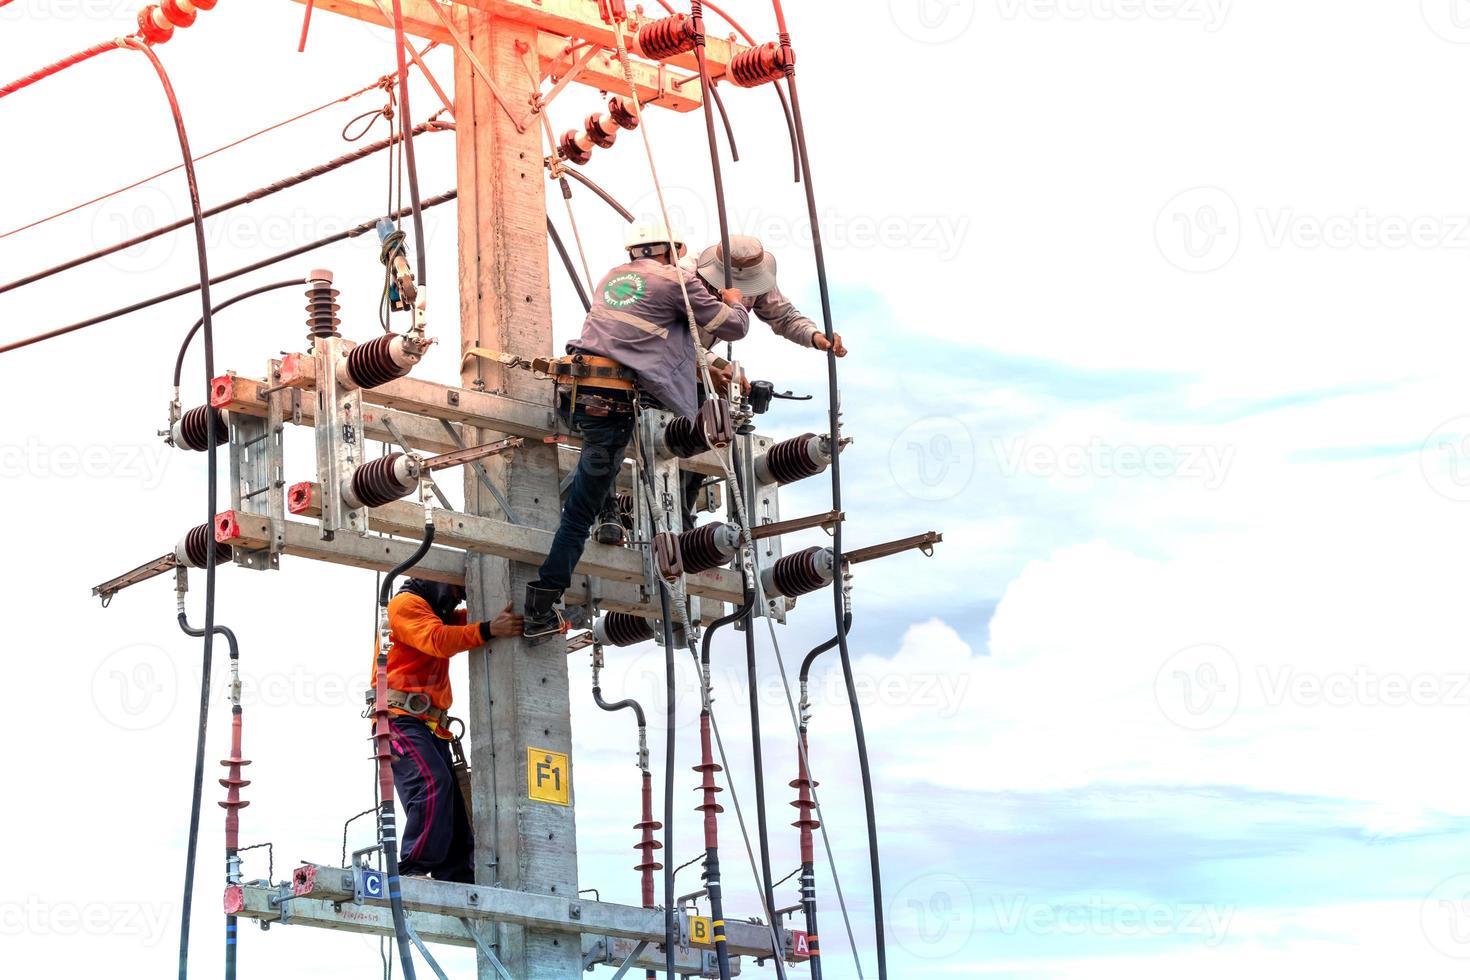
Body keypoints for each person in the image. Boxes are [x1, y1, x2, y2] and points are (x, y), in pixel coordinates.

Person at [523, 221, 751, 639]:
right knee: (579, 514)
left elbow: (654, 338)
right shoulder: (677, 281)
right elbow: (732, 327)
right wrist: (736, 302)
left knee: (593, 482)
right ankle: (541, 603)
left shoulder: (613, 277)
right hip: (611, 404)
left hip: (577, 393)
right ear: (671, 249)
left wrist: (710, 367)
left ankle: (612, 516)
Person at [372, 579, 523, 881]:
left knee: (452, 801)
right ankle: (414, 866)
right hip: (399, 720)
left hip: (428, 724)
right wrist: (489, 629)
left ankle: (457, 877)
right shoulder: (405, 606)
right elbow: (439, 639)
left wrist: (519, 615)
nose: (457, 600)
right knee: (432, 783)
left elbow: (465, 623)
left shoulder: (436, 612)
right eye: (455, 592)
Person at [692, 235, 848, 391]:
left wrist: (815, 336)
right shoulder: (686, 279)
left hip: (696, 362)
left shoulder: (757, 278)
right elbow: (674, 342)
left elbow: (785, 317)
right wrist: (714, 366)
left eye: (747, 286)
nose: (744, 293)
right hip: (678, 360)